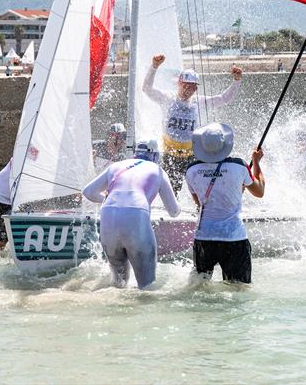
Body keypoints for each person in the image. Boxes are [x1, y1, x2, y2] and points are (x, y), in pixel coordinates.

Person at [82, 140, 180, 289]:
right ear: (154, 154)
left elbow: (88, 192)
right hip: (136, 215)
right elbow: (173, 211)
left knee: (118, 284)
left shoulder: (115, 166)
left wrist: (106, 199)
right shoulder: (157, 169)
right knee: (147, 286)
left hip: (109, 214)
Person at [142, 54, 242, 194]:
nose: (188, 90)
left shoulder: (200, 102)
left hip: (193, 156)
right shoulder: (167, 98)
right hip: (170, 156)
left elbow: (224, 99)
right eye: (185, 85)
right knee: (170, 192)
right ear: (178, 83)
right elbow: (147, 89)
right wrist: (154, 67)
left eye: (192, 87)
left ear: (196, 89)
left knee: (201, 192)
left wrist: (236, 81)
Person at [185, 123, 264, 284]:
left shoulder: (191, 170)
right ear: (225, 145)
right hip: (234, 238)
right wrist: (256, 162)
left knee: (200, 287)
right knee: (238, 290)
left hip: (204, 237)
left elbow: (201, 204)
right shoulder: (239, 166)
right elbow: (259, 191)